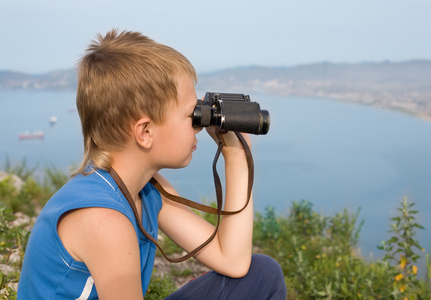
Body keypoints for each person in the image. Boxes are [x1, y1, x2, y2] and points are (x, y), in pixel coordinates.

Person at [17, 29, 287, 299]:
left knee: (262, 274)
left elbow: (233, 261)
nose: (198, 126)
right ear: (145, 132)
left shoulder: (148, 190)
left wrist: (237, 155)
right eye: (190, 114)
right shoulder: (103, 219)